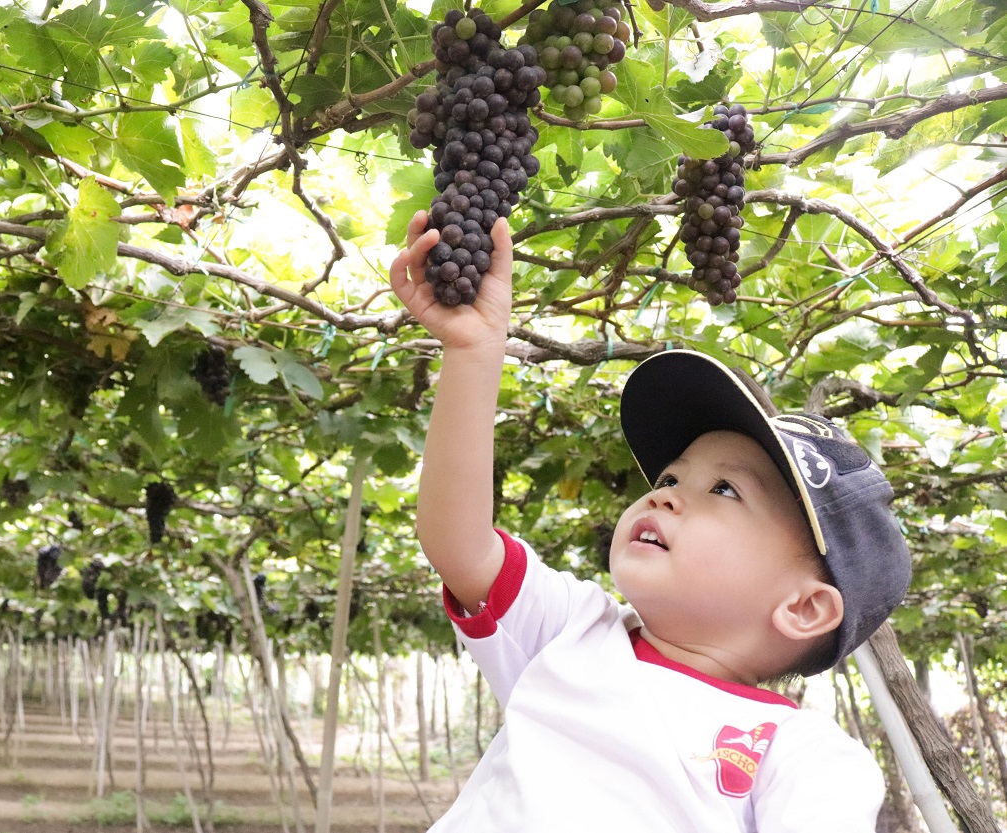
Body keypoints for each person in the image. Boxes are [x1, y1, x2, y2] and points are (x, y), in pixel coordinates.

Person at [388, 211, 912, 831]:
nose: (665, 496)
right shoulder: (571, 634)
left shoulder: (804, 758)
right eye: (668, 478)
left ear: (803, 608)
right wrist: (475, 350)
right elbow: (459, 544)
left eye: (724, 489)